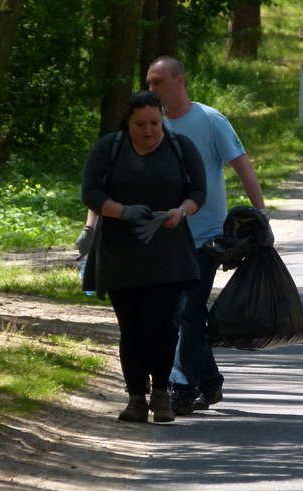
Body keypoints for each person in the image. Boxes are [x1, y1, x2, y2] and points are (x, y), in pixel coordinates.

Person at [145, 56, 266, 415]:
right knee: (180, 314)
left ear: (179, 81)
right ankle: (210, 383)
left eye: (158, 82)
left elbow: (241, 164)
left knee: (190, 307)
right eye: (149, 83)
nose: (152, 89)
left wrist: (260, 213)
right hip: (166, 235)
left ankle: (182, 387)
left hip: (206, 237)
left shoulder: (211, 120)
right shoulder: (154, 124)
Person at [81, 90, 207, 424]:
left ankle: (162, 393)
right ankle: (136, 397)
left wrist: (181, 211)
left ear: (161, 119)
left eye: (154, 123)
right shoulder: (109, 148)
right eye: (140, 124)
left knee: (162, 327)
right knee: (132, 329)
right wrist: (122, 211)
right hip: (120, 255)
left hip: (168, 254)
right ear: (128, 121)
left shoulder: (181, 147)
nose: (148, 130)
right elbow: (91, 193)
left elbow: (198, 192)